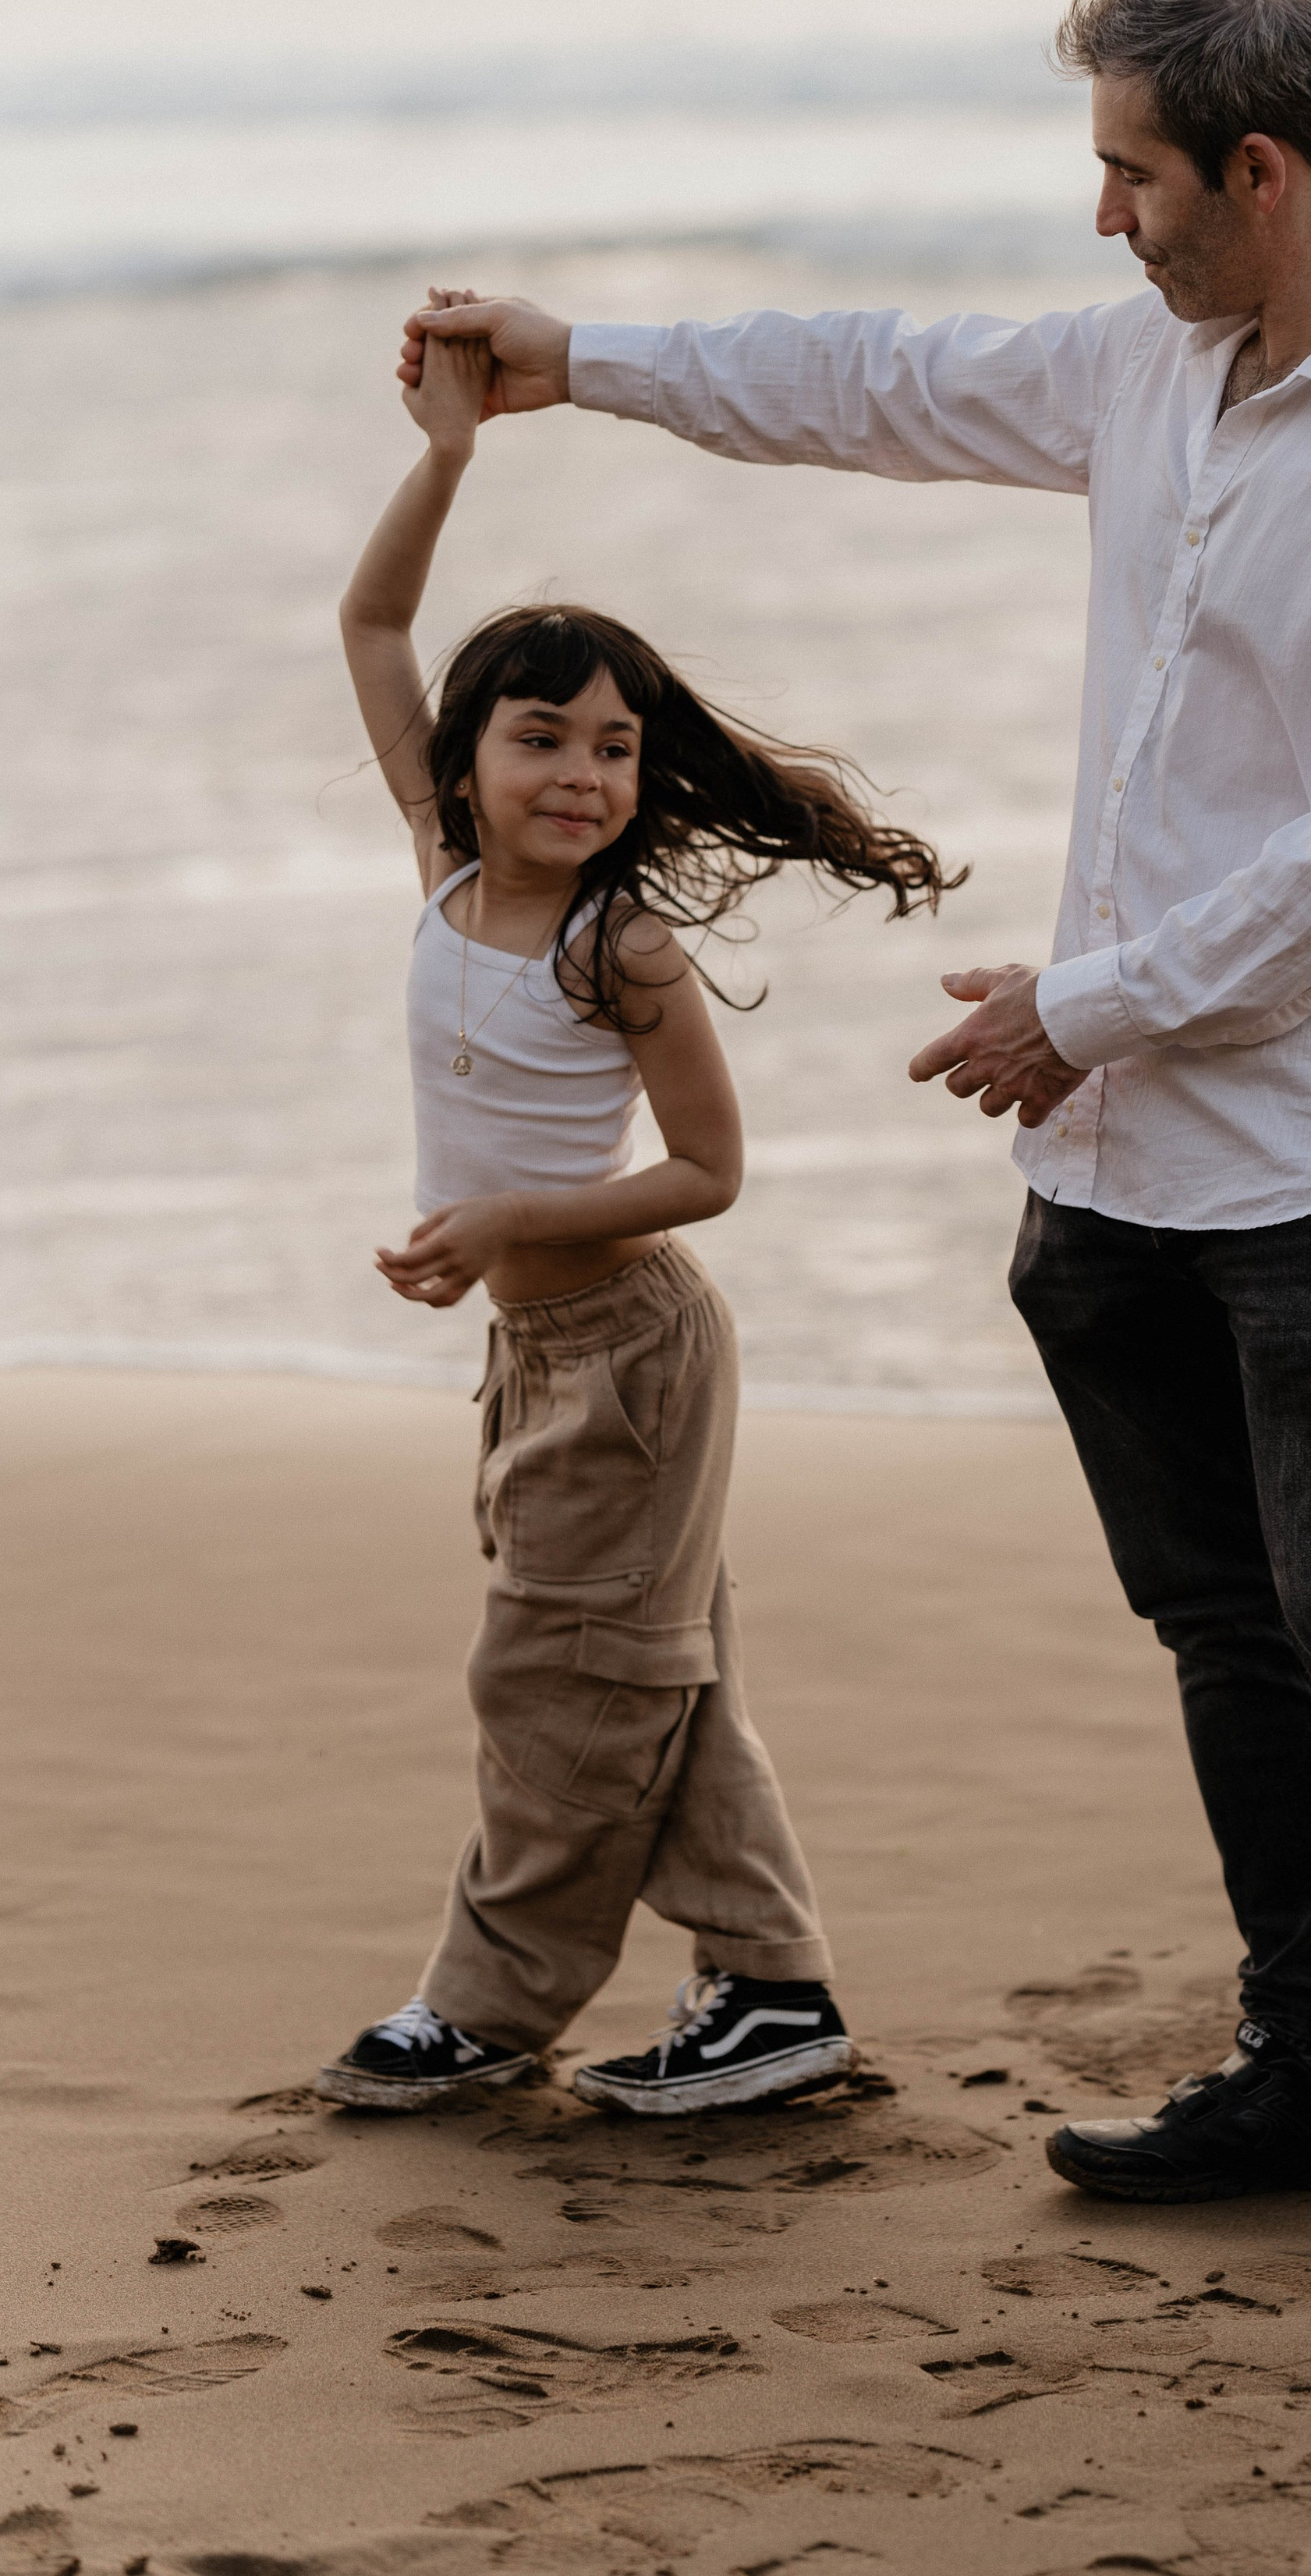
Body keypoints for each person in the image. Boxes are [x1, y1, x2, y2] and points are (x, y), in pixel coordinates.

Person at [394, 0, 1311, 2301]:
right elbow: (878, 377)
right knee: (1225, 1633)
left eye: (1133, 173)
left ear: (1257, 174)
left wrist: (1085, 1008)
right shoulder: (1156, 369)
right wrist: (589, 362)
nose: (1106, 220)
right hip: (1111, 1173)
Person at [320, 303, 956, 2117]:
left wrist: (508, 1209)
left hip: (629, 1347)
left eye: (613, 749)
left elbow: (710, 1176)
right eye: (543, 740)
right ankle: (771, 1994)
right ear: (466, 763)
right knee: (646, 1677)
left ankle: (491, 2006)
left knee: (555, 1679)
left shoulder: (627, 952)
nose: (582, 777)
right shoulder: (443, 878)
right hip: (541, 1345)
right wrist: (448, 457)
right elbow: (370, 627)